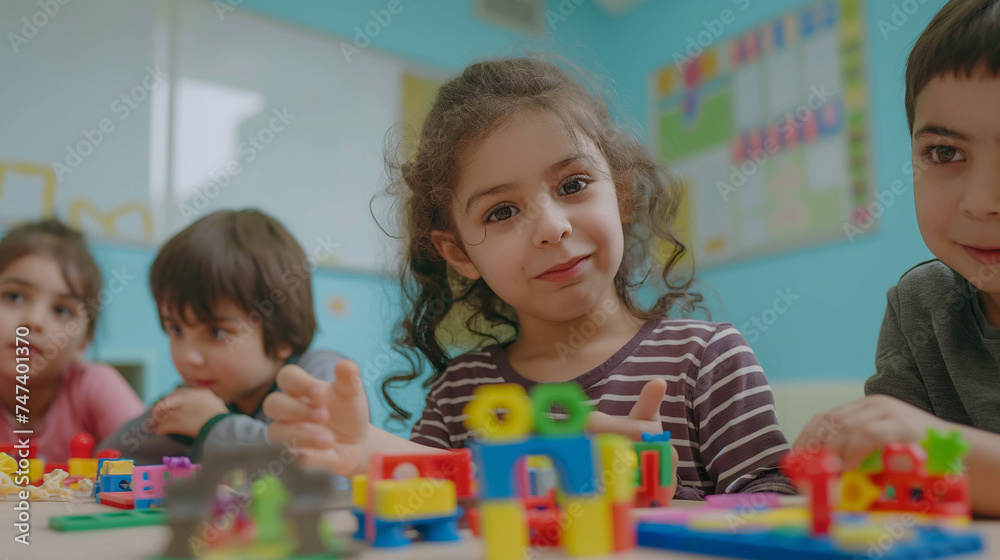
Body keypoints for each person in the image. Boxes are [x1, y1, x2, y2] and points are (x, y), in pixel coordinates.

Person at [266, 58, 794, 499]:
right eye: (501, 212)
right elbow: (424, 504)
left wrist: (659, 494)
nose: (551, 227)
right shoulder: (459, 397)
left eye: (575, 183)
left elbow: (777, 507)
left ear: (623, 195)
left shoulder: (707, 360)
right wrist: (366, 450)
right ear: (458, 253)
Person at [796, 0, 1000, 517]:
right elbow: (896, 486)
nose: (980, 200)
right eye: (945, 153)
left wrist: (941, 453)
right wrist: (850, 459)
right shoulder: (921, 304)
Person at [99, 209, 346, 486]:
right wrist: (172, 425)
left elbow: (318, 477)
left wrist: (211, 426)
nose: (188, 357)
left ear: (282, 337)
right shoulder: (207, 393)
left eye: (216, 332)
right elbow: (109, 460)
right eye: (176, 329)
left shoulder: (318, 376)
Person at [0, 220, 144, 463]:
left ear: (83, 343)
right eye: (14, 296)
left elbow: (152, 460)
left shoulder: (95, 386)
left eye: (61, 311)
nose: (34, 321)